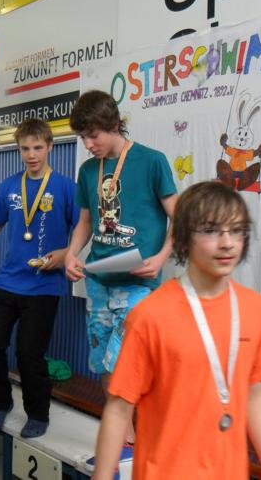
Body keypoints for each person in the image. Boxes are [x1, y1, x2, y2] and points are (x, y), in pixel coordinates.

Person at [92, 182, 261, 480]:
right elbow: (119, 409)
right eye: (210, 230)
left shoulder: (256, 310)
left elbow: (253, 395)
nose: (227, 243)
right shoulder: (149, 316)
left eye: (236, 230)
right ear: (183, 238)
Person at [63, 90, 177, 441]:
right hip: (98, 278)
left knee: (124, 357)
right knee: (101, 358)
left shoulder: (152, 161)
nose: (88, 144)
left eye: (93, 135)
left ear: (114, 124)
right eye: (82, 137)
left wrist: (161, 257)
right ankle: (124, 433)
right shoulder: (88, 170)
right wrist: (71, 254)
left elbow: (181, 217)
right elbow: (86, 221)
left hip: (139, 280)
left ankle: (144, 426)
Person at [0, 118, 78, 439]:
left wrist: (66, 253)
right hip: (6, 281)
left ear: (50, 147)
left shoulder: (66, 187)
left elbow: (83, 228)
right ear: (19, 150)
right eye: (25, 148)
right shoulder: (9, 186)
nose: (31, 154)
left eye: (37, 147)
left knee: (28, 353)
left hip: (44, 285)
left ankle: (37, 414)